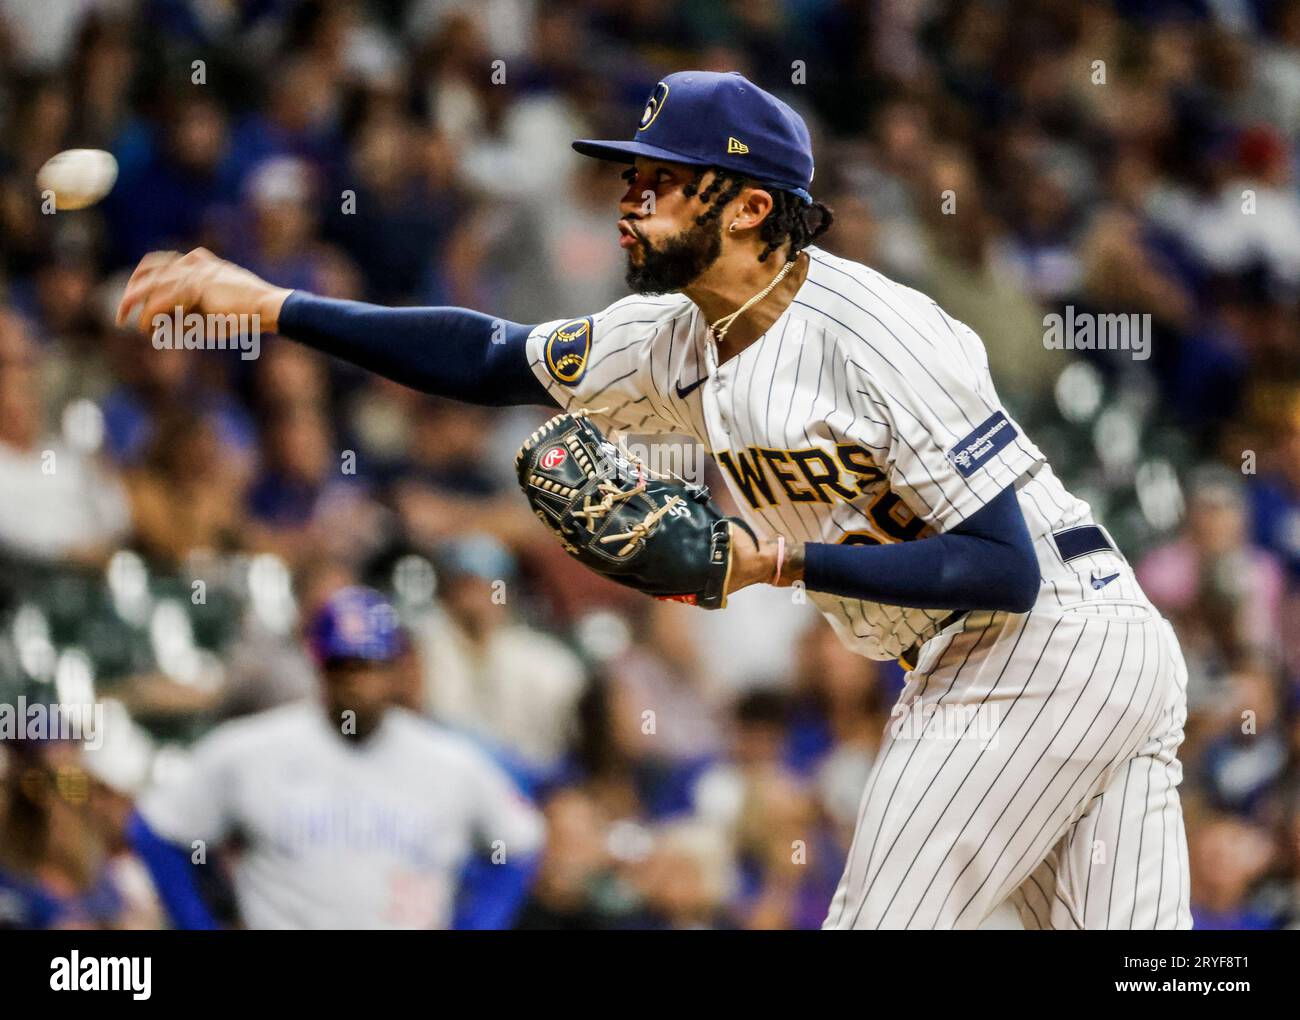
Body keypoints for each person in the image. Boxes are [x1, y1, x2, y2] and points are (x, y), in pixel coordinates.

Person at [116, 70, 1190, 929]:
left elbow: (1003, 569)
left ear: (751, 206)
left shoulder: (877, 334)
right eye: (631, 175)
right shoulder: (672, 335)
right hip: (1064, 653)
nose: (630, 196)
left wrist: (773, 562)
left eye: (662, 180)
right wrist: (274, 303)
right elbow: (490, 358)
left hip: (1034, 646)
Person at [128, 586, 544, 929]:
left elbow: (520, 844)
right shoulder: (250, 749)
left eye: (371, 667)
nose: (358, 684)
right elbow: (157, 829)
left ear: (397, 670)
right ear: (320, 668)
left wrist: (477, 925)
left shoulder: (450, 762)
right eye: (345, 667)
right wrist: (199, 923)